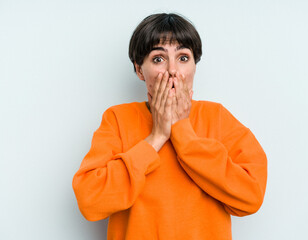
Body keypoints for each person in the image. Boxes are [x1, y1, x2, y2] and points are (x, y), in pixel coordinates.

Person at [72, 13, 267, 240]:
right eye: (158, 59)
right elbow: (90, 201)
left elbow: (251, 197)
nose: (173, 70)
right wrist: (156, 137)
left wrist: (182, 131)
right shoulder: (117, 119)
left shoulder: (218, 118)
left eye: (183, 58)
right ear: (139, 70)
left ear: (194, 66)